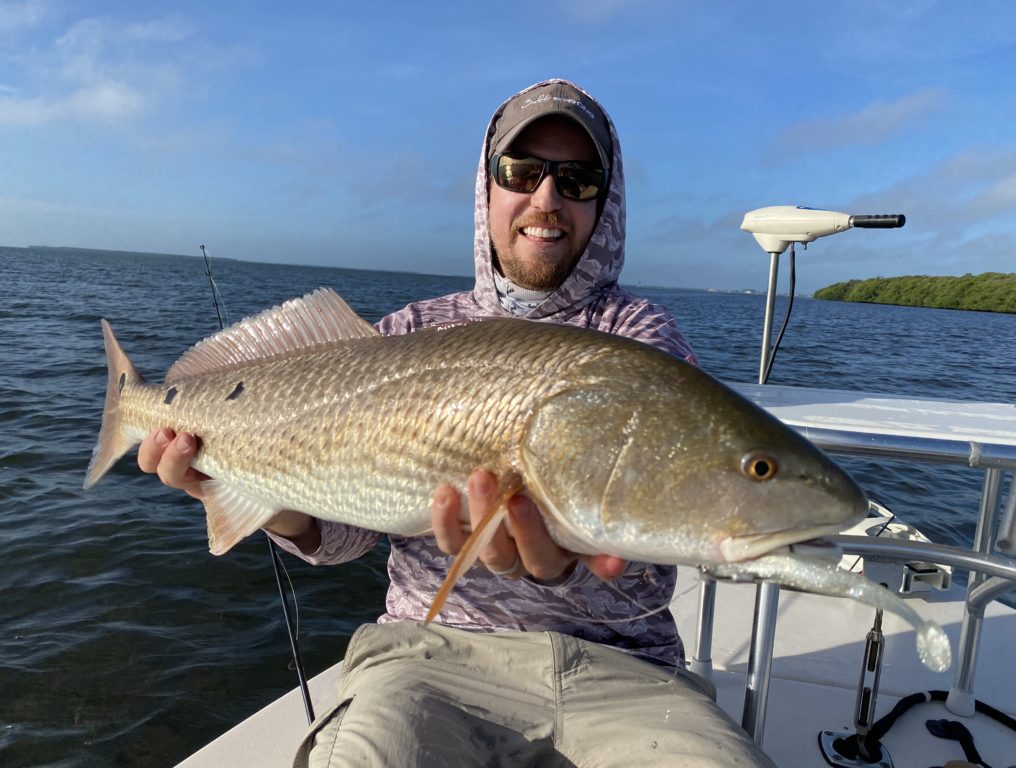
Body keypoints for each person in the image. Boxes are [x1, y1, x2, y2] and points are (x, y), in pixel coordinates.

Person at [139, 80, 775, 767]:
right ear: (488, 185)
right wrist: (250, 497)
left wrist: (565, 572)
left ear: (606, 201)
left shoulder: (638, 337)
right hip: (426, 654)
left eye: (578, 179)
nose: (547, 198)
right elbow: (352, 530)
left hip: (621, 671)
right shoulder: (407, 330)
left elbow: (649, 544)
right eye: (522, 171)